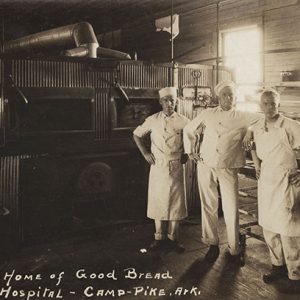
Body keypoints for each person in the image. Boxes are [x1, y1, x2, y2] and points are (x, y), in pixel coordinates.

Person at [183, 80, 262, 265]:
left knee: (231, 206)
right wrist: (190, 150)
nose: (228, 98)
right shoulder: (208, 113)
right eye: (225, 94)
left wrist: (249, 131)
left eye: (231, 95)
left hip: (227, 166)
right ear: (218, 97)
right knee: (208, 204)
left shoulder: (243, 115)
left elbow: (263, 118)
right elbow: (188, 128)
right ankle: (212, 244)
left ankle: (234, 248)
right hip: (205, 162)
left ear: (236, 98)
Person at [247, 88, 300, 293]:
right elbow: (250, 143)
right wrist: (257, 164)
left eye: (273, 104)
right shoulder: (258, 125)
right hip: (267, 179)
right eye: (265, 104)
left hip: (286, 179)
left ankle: (295, 273)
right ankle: (277, 265)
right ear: (260, 106)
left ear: (279, 105)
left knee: (289, 229)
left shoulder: (291, 125)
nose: (269, 107)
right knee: (269, 226)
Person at [133, 86, 189, 253]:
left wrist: (188, 152)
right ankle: (159, 237)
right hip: (158, 166)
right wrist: (145, 154)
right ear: (160, 102)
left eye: (172, 100)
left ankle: (174, 239)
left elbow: (195, 135)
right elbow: (136, 135)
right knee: (158, 201)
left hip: (176, 165)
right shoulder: (153, 119)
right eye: (165, 100)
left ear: (176, 101)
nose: (169, 103)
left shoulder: (184, 121)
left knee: (176, 204)